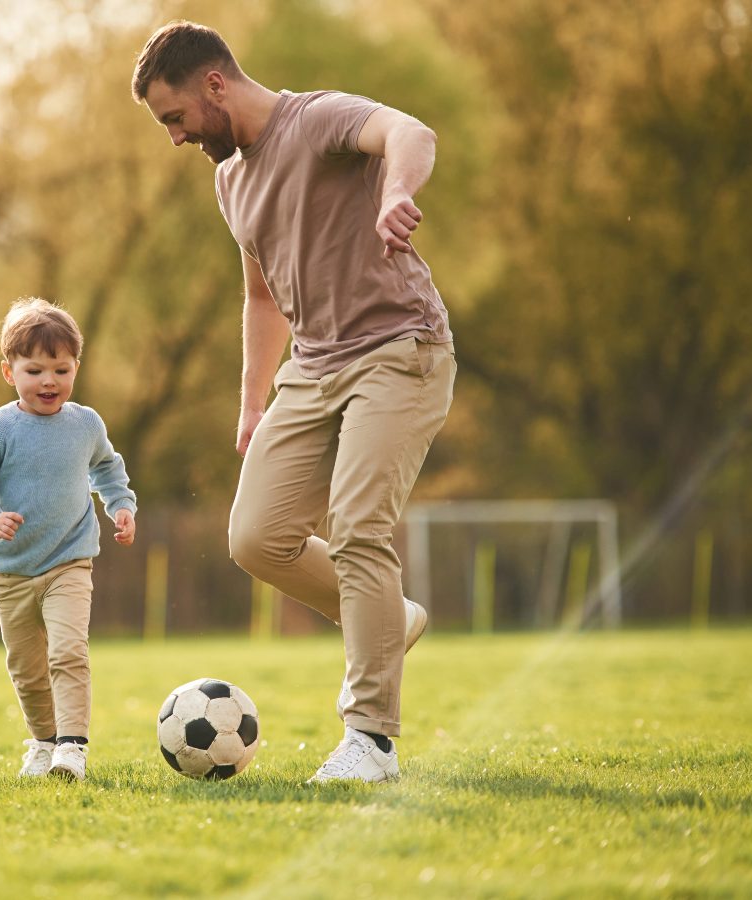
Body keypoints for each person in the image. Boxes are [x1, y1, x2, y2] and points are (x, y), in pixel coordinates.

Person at [132, 22, 455, 783]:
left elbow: (411, 130)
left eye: (174, 118)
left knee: (358, 526)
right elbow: (259, 292)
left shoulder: (315, 120)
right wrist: (252, 401)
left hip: (398, 348)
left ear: (215, 84)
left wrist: (397, 192)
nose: (174, 138)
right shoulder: (228, 180)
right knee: (255, 536)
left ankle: (371, 741)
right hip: (312, 368)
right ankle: (388, 619)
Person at [0, 297, 137, 782]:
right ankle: (43, 742)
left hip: (69, 563)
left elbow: (107, 467)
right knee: (28, 670)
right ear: (9, 372)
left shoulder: (86, 424)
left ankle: (72, 748)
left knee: (68, 652)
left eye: (61, 368)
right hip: (12, 571)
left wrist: (120, 505)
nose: (49, 381)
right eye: (35, 370)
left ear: (77, 366)